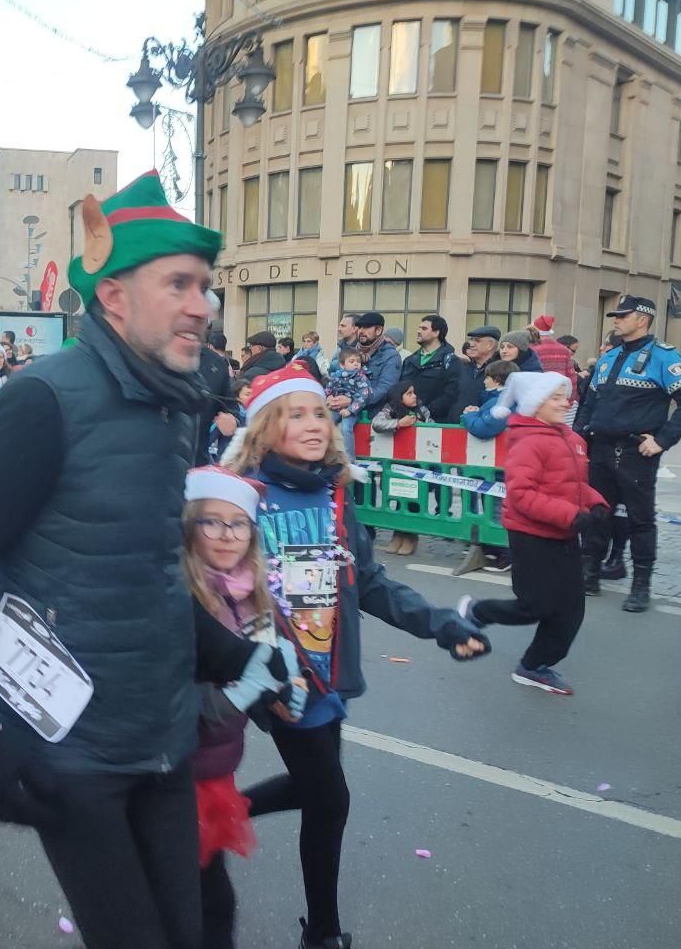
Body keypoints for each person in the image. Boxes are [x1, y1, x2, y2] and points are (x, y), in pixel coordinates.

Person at [0, 173, 299, 949]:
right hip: (72, 755)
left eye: (206, 286)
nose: (203, 305)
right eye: (179, 284)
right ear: (114, 296)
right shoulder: (46, 399)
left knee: (194, 934)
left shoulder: (173, 403)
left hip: (163, 735)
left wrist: (234, 654)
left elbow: (147, 568)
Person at [222, 363, 490, 949]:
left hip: (329, 674)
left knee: (316, 790)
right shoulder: (242, 498)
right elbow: (217, 593)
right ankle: (322, 933)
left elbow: (368, 582)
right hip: (281, 678)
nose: (314, 424)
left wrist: (441, 624)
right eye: (295, 414)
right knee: (330, 798)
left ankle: (215, 817)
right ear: (264, 428)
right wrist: (262, 669)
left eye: (320, 413)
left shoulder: (335, 495)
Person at [183, 467, 306, 949]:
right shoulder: (182, 596)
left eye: (238, 524)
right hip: (174, 770)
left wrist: (278, 695)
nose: (227, 535)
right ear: (189, 526)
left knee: (201, 892)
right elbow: (168, 694)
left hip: (217, 762)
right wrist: (238, 694)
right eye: (212, 522)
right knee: (205, 898)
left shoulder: (252, 591)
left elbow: (259, 668)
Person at [458, 373, 606, 695]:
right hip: (531, 535)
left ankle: (534, 665)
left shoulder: (571, 438)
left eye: (565, 396)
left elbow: (573, 484)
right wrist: (570, 515)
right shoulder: (528, 441)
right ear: (535, 404)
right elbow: (522, 494)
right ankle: (477, 611)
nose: (565, 403)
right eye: (555, 398)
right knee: (536, 605)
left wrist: (595, 502)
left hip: (565, 534)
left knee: (571, 609)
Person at [576, 295, 681, 611]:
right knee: (597, 514)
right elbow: (589, 403)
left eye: (623, 315)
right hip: (600, 449)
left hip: (636, 453)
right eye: (616, 316)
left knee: (640, 520)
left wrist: (662, 440)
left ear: (642, 319)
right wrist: (578, 439)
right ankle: (589, 576)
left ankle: (640, 586)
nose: (616, 320)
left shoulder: (663, 357)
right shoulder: (608, 357)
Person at [372, 381, 433, 556]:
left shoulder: (422, 410)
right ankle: (397, 534)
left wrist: (419, 425)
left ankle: (411, 536)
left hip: (417, 463)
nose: (414, 396)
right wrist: (399, 423)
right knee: (399, 498)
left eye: (414, 393)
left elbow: (433, 427)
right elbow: (377, 423)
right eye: (409, 393)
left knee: (414, 499)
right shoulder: (390, 409)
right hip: (397, 463)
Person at [400, 314, 459, 420]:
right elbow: (400, 389)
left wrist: (424, 412)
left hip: (436, 422)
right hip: (407, 419)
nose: (418, 331)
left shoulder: (451, 361)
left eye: (424, 328)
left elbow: (451, 394)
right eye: (419, 328)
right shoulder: (409, 360)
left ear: (436, 333)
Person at [347, 312, 402, 411]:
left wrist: (354, 401)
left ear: (378, 330)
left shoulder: (391, 355)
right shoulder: (351, 352)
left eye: (366, 327)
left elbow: (385, 389)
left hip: (372, 412)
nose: (361, 331)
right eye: (360, 327)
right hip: (345, 407)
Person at [449, 324, 502, 421]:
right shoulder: (462, 368)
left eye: (477, 341)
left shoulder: (501, 370)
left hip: (484, 424)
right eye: (471, 340)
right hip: (456, 424)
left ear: (490, 345)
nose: (471, 344)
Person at [197, 334, 235, 467]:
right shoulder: (146, 355)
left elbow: (230, 406)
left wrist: (232, 419)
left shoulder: (216, 364)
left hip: (197, 463)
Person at [325, 348, 371, 456]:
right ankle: (325, 454)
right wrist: (328, 398)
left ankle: (350, 458)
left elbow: (364, 396)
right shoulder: (336, 376)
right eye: (351, 361)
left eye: (358, 361)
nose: (356, 364)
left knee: (346, 428)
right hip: (336, 408)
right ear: (342, 365)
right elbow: (328, 389)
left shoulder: (361, 377)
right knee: (325, 424)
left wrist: (350, 410)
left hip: (353, 410)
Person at [460, 358, 518, 439]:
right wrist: (478, 412)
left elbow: (483, 429)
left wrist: (470, 414)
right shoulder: (510, 399)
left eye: (487, 378)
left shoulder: (501, 403)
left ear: (497, 380)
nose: (484, 381)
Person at [207, 378, 249, 465]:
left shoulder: (256, 417)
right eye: (247, 394)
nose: (250, 397)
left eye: (252, 394)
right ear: (237, 397)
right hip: (226, 467)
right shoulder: (228, 417)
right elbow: (205, 441)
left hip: (247, 468)